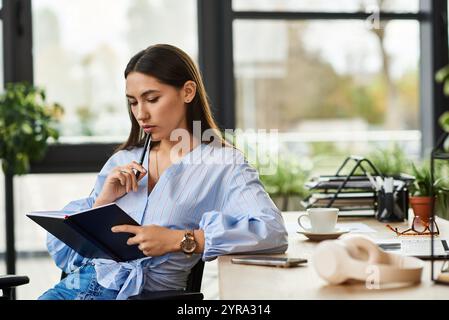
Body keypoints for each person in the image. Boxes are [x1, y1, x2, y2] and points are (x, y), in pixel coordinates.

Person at [38, 44, 288, 300]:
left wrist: (179, 240)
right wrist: (103, 201)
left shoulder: (224, 165)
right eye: (133, 102)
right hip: (73, 289)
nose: (141, 114)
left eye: (152, 99)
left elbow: (272, 231)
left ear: (188, 92)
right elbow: (69, 256)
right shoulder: (123, 160)